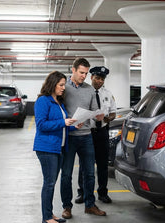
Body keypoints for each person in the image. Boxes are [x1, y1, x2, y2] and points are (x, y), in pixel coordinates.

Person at [34, 71, 83, 223]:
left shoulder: (59, 102)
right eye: (61, 85)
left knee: (51, 183)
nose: (63, 88)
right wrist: (64, 122)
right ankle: (46, 217)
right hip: (46, 148)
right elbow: (41, 125)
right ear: (52, 84)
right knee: (49, 183)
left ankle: (50, 215)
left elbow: (62, 127)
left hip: (58, 148)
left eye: (64, 85)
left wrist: (74, 127)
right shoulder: (43, 101)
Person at [60, 58, 107, 219]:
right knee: (66, 174)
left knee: (89, 174)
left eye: (86, 73)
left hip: (86, 136)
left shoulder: (89, 90)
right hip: (69, 137)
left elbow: (94, 111)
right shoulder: (63, 87)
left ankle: (90, 205)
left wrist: (98, 115)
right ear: (72, 70)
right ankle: (67, 207)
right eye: (81, 72)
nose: (84, 76)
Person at [75, 66, 116, 204]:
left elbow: (113, 113)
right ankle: (82, 192)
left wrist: (106, 118)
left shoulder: (108, 94)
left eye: (102, 79)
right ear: (91, 77)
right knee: (85, 164)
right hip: (87, 132)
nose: (99, 81)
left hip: (102, 133)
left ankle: (103, 193)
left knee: (103, 165)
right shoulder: (84, 93)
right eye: (97, 78)